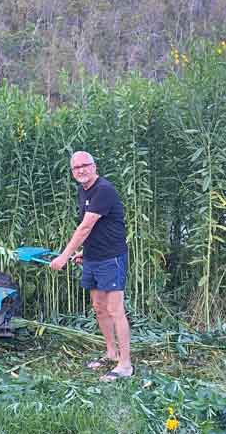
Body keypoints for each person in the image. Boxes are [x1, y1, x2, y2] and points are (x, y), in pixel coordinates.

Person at [49, 151, 132, 381]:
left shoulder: (103, 189)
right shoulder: (82, 190)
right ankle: (111, 352)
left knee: (115, 310)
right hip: (93, 257)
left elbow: (85, 227)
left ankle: (125, 364)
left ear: (94, 166)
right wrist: (84, 253)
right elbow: (97, 227)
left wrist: (63, 257)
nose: (81, 170)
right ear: (72, 172)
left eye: (85, 165)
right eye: (76, 168)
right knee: (98, 307)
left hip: (111, 258)